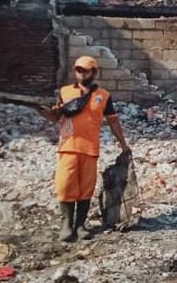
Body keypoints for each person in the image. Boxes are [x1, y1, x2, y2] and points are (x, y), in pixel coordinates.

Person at [44, 56, 129, 243]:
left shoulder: (103, 96)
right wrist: (46, 111)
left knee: (86, 189)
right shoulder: (65, 92)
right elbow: (54, 117)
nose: (81, 74)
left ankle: (80, 225)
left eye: (86, 71)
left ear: (94, 72)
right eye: (79, 70)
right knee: (65, 185)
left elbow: (113, 121)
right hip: (68, 147)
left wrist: (123, 144)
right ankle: (67, 224)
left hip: (90, 149)